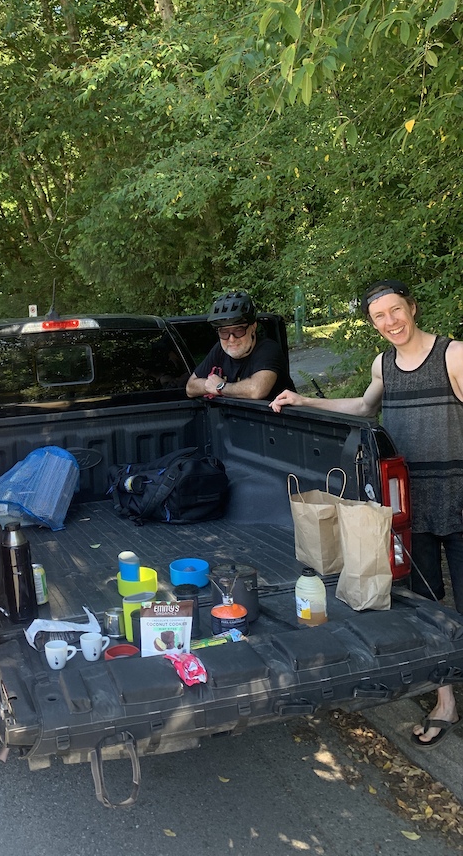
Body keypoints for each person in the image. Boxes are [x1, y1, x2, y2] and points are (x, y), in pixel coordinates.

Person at [271, 279, 463, 748]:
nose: (390, 322)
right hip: (403, 507)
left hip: (459, 498)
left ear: (412, 308)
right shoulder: (384, 364)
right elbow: (361, 405)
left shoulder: (453, 354)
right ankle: (446, 700)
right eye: (379, 316)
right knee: (424, 604)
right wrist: (303, 400)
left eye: (395, 311)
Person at [185, 290, 295, 402]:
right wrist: (208, 385)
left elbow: (257, 390)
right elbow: (190, 387)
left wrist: (220, 387)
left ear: (253, 327)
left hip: (275, 418)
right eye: (224, 332)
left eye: (238, 330)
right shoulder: (220, 350)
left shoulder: (268, 349)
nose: (231, 339)